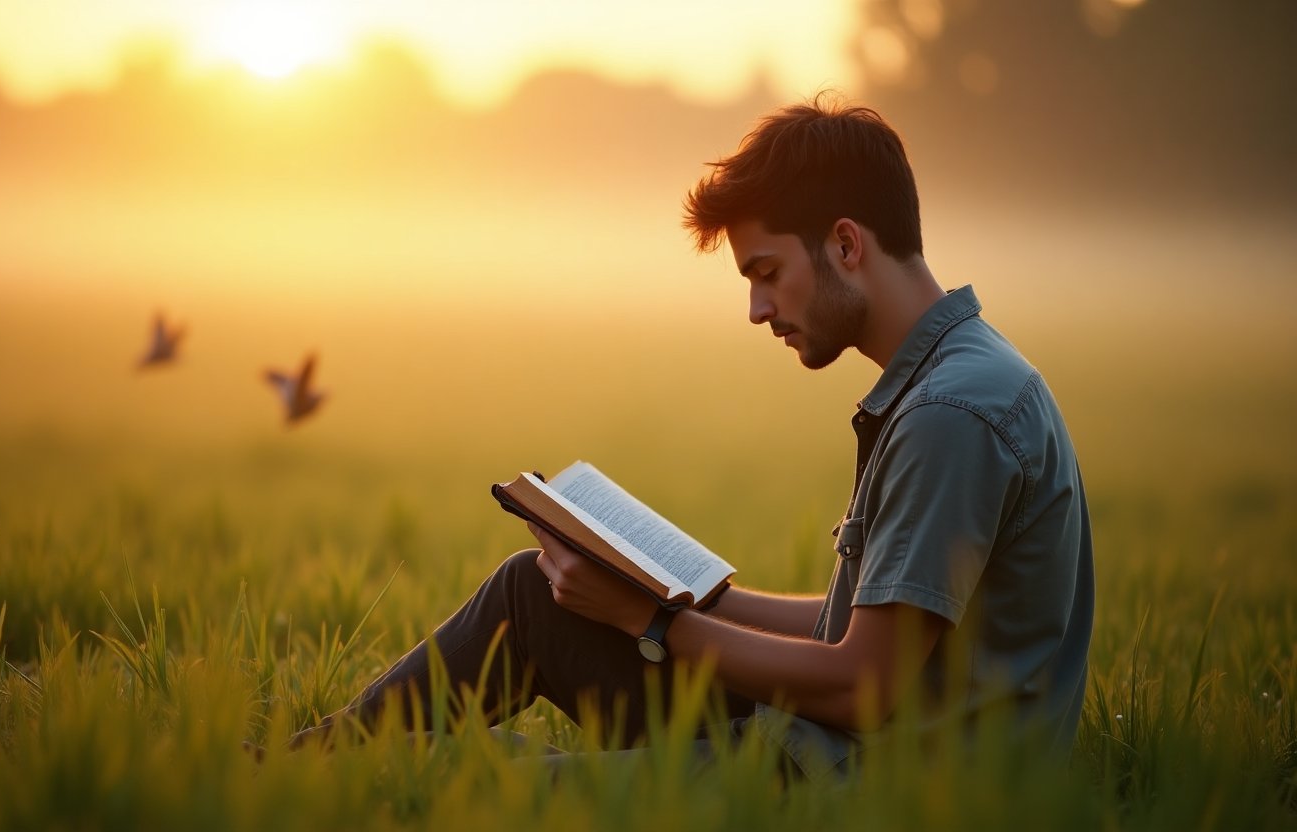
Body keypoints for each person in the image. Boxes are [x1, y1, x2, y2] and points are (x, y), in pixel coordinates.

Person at [270, 93, 1095, 778]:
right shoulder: (954, 378)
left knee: (472, 779)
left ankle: (279, 782)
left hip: (867, 786)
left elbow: (860, 686)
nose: (757, 310)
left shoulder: (951, 416)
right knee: (531, 595)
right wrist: (690, 592)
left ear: (845, 244)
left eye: (766, 273)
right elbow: (865, 628)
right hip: (840, 747)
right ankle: (277, 769)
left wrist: (653, 623)